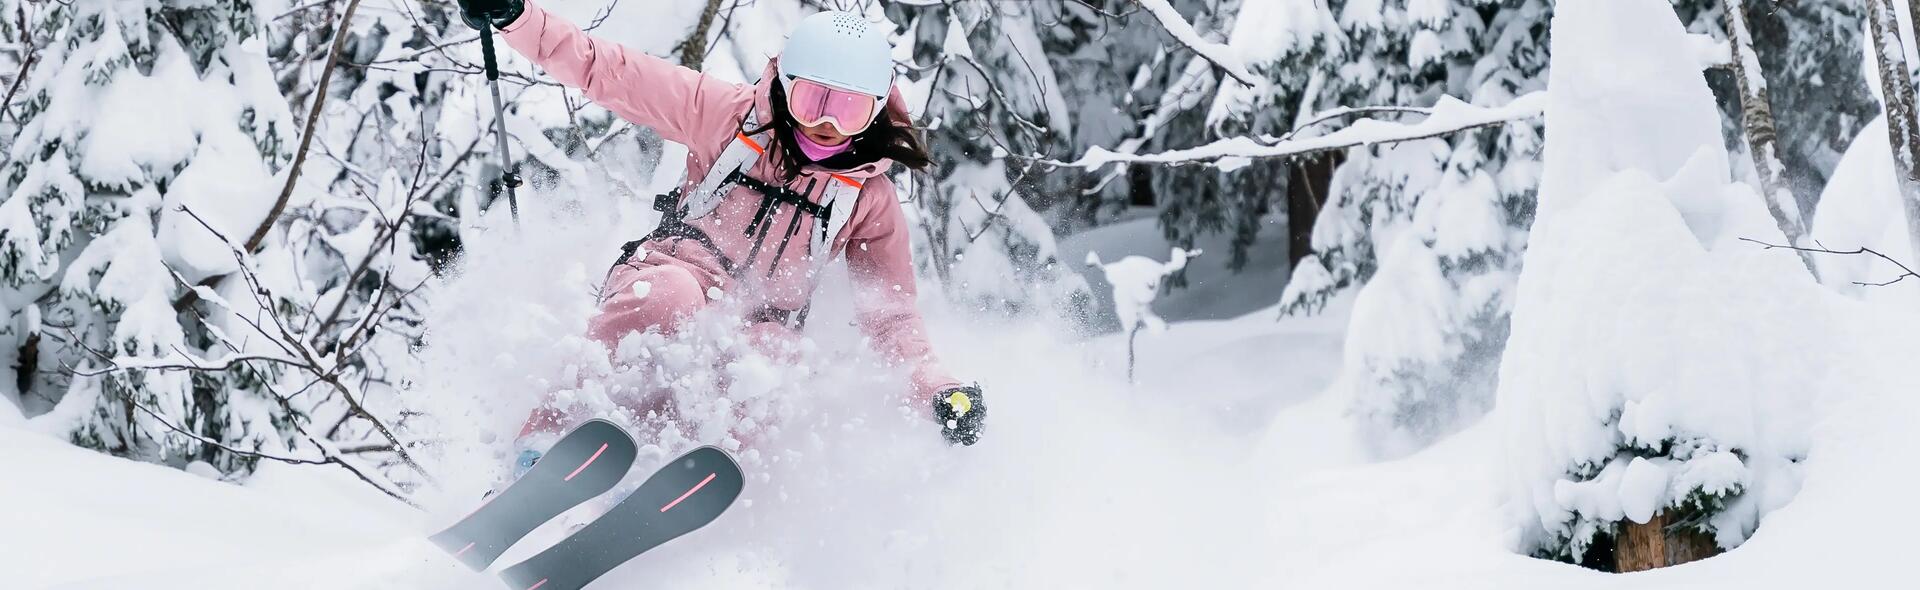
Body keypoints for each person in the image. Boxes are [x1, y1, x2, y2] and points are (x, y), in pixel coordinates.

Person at [453, 0, 985, 459]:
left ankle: (681, 480)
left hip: (761, 323)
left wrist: (939, 389)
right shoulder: (726, 117)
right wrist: (516, 17)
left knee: (774, 362)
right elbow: (608, 71)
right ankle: (548, 442)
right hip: (672, 273)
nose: (827, 124)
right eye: (813, 102)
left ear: (875, 112)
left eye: (849, 110)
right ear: (785, 87)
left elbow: (891, 318)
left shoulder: (867, 198)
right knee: (671, 296)